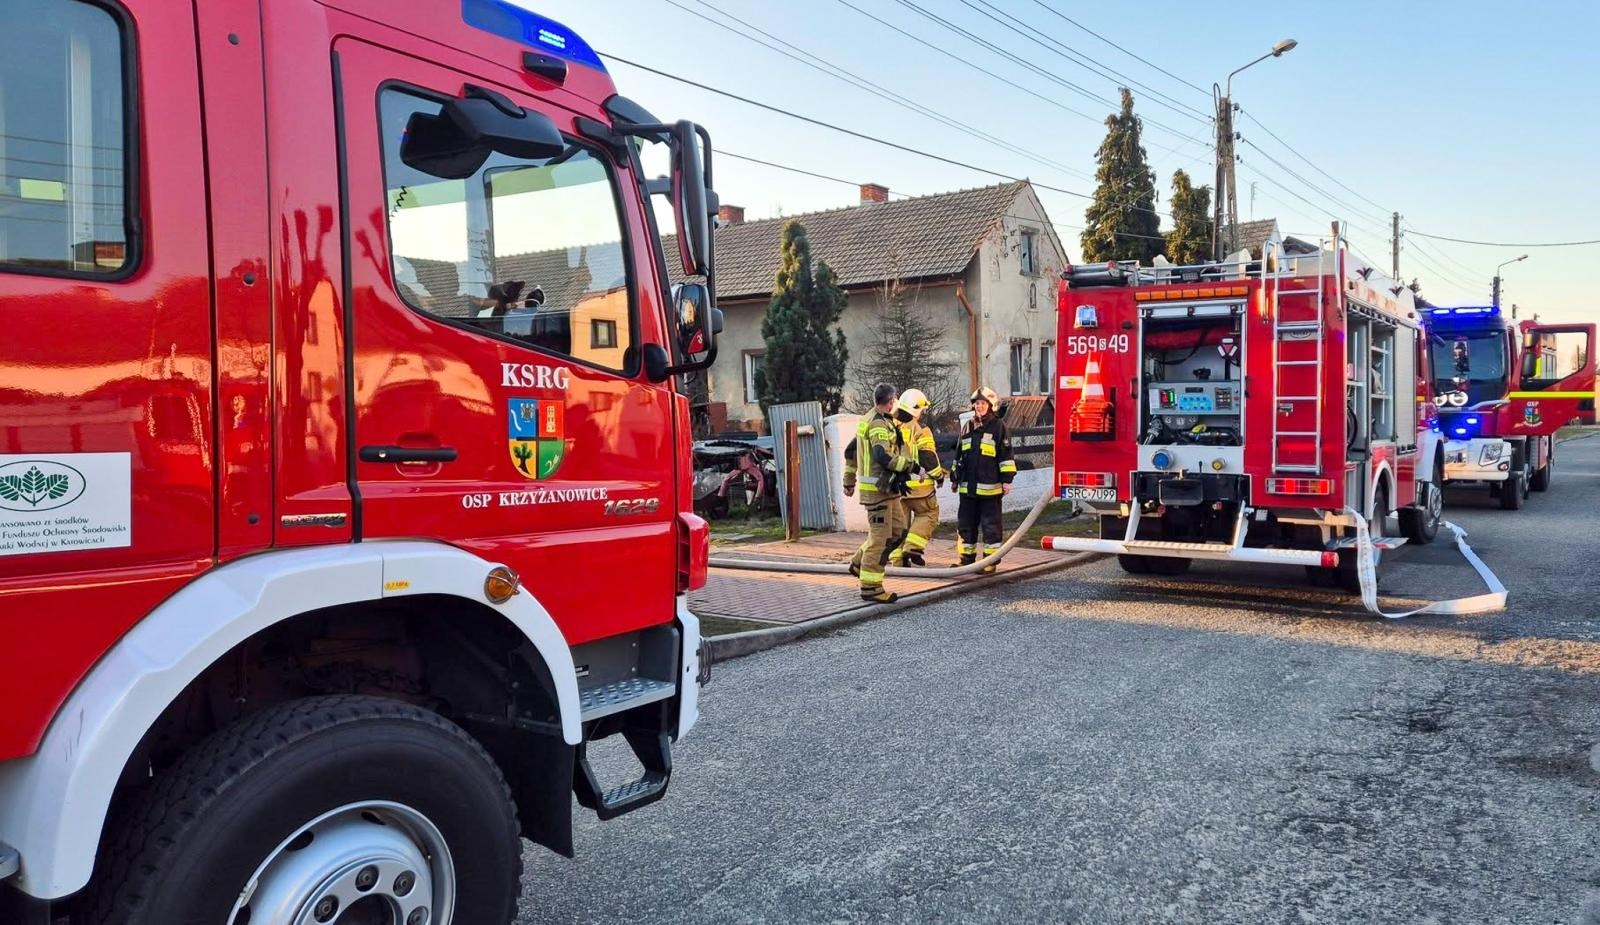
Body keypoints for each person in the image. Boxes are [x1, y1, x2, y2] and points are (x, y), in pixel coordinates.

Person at [844, 383, 918, 602]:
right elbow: (883, 456)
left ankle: (859, 563)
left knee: (898, 531)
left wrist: (848, 480)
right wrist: (911, 466)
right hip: (878, 492)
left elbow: (850, 451)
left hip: (888, 491)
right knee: (880, 538)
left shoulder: (874, 419)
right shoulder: (877, 423)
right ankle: (871, 586)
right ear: (891, 401)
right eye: (895, 400)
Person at [952, 386, 1016, 573]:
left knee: (991, 527)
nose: (979, 407)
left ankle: (989, 562)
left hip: (990, 489)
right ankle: (966, 559)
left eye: (982, 403)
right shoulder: (968, 426)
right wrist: (955, 478)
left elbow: (1006, 455)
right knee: (965, 525)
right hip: (968, 489)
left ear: (991, 405)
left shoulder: (999, 427)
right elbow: (959, 454)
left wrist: (1007, 480)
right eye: (976, 403)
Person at [888, 388, 944, 568]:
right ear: (916, 409)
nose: (922, 414)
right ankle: (913, 547)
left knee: (900, 525)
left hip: (895, 488)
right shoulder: (920, 430)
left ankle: (898, 560)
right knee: (929, 514)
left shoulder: (888, 426)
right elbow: (927, 456)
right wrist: (939, 475)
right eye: (922, 410)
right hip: (919, 487)